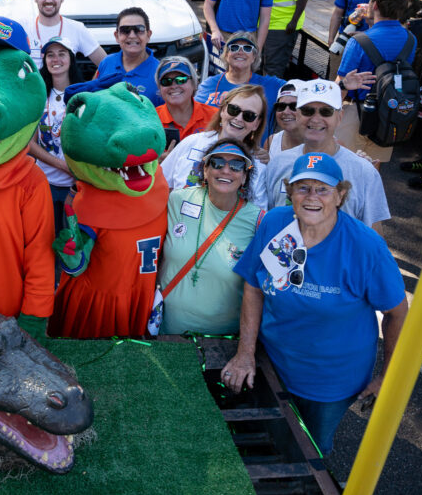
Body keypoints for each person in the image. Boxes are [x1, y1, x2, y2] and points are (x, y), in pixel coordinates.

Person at [223, 153, 408, 455]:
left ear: (340, 195)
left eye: (322, 189)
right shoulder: (274, 223)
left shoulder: (366, 246)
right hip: (273, 363)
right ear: (290, 192)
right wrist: (245, 353)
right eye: (302, 188)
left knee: (310, 452)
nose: (312, 197)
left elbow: (397, 313)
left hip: (329, 384)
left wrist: (388, 377)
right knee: (268, 439)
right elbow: (254, 285)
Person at [158, 139, 263, 335]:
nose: (225, 170)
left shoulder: (258, 221)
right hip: (167, 333)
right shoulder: (176, 201)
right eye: (217, 163)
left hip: (224, 340)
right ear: (205, 170)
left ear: (245, 176)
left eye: (236, 166)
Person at [263, 80, 390, 231]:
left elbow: (375, 238)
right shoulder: (277, 164)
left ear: (340, 116)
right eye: (308, 111)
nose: (316, 119)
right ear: (298, 115)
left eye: (326, 111)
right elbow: (269, 222)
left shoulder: (365, 172)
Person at [335, 0, 415, 163]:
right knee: (371, 171)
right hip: (388, 115)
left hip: (356, 115)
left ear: (375, 5)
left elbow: (340, 87)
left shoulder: (358, 42)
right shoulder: (411, 39)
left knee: (342, 171)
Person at [161, 84, 269, 208]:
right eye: (234, 109)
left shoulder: (258, 164)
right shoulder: (192, 142)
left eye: (249, 115)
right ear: (223, 110)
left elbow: (258, 213)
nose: (239, 118)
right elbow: (161, 183)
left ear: (256, 124)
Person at [28, 36, 85, 233]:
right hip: (45, 183)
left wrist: (75, 170)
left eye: (62, 54)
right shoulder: (38, 95)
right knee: (46, 240)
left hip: (77, 184)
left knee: (72, 243)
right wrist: (62, 165)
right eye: (50, 55)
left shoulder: (83, 95)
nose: (56, 59)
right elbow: (30, 144)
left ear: (71, 59)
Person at [195, 31, 285, 132]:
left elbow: (300, 89)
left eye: (247, 48)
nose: (240, 52)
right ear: (226, 55)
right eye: (234, 47)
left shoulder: (270, 85)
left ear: (254, 57)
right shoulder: (208, 84)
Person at [67, 7, 160, 103]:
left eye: (139, 29)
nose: (132, 35)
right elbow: (91, 99)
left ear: (148, 35)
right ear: (117, 36)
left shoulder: (159, 72)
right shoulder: (107, 62)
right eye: (125, 30)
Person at [154, 57, 218, 141]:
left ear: (194, 84)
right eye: (166, 81)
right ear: (160, 88)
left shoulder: (215, 116)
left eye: (181, 80)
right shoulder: (151, 119)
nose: (174, 86)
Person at [265, 79, 305, 158]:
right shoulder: (271, 141)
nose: (286, 112)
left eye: (294, 106)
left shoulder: (325, 144)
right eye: (281, 106)